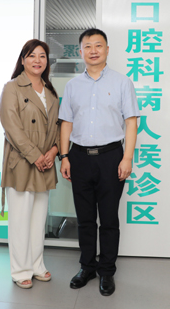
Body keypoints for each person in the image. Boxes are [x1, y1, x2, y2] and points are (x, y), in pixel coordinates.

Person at [58, 28, 139, 296]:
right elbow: (66, 123)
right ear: (80, 51)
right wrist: (65, 156)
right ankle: (87, 267)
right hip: (79, 157)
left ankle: (106, 271)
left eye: (98, 45)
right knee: (84, 219)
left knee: (108, 218)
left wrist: (127, 157)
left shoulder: (122, 82)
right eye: (88, 46)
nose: (93, 50)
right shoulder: (72, 86)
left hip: (111, 157)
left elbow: (131, 122)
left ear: (107, 50)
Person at [0, 39, 60, 289]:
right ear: (23, 60)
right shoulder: (12, 88)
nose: (37, 60)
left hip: (45, 162)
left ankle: (36, 265)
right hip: (23, 162)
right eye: (32, 55)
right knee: (20, 219)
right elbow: (11, 126)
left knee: (38, 218)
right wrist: (35, 156)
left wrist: (53, 151)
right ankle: (20, 269)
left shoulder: (50, 91)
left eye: (42, 56)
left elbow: (59, 126)